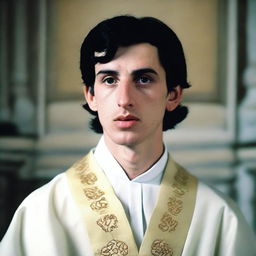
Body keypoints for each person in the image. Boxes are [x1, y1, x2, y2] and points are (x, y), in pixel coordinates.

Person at [0, 15, 255, 256]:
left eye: (143, 79)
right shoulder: (41, 213)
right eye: (109, 80)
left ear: (173, 95)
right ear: (91, 95)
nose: (124, 100)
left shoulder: (219, 217)